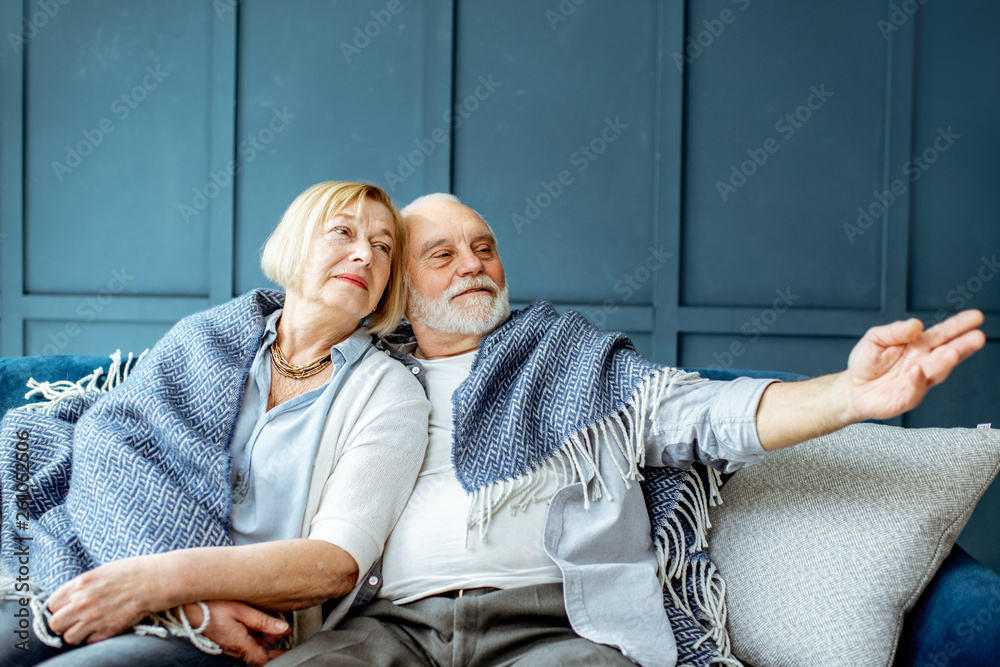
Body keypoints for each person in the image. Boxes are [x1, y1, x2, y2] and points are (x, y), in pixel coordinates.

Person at [269, 192, 987, 667]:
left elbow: (706, 415)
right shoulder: (362, 380)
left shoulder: (574, 359)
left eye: (484, 247)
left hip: (554, 631)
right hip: (394, 628)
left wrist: (850, 394)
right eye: (443, 254)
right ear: (400, 290)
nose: (475, 265)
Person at [0, 182, 430, 666]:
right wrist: (186, 605)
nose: (363, 255)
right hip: (108, 570)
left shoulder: (389, 393)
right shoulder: (203, 340)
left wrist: (158, 587)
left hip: (246, 628)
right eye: (342, 232)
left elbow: (334, 566)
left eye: (382, 247)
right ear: (294, 245)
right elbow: (110, 451)